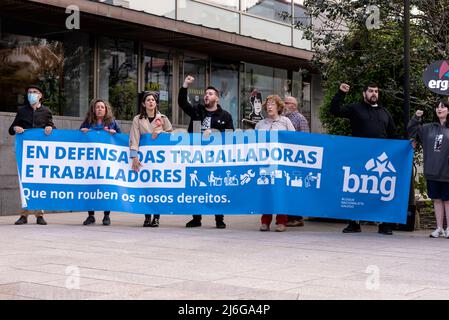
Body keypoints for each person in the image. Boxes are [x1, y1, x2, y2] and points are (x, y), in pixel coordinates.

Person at [330, 82, 398, 235]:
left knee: (381, 189)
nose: (374, 93)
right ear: (364, 93)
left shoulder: (385, 112)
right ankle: (354, 223)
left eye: (376, 91)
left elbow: (393, 135)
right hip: (359, 157)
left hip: (380, 159)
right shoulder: (355, 108)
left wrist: (405, 148)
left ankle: (384, 223)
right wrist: (340, 93)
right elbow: (334, 111)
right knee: (356, 189)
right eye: (370, 91)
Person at [178, 75, 234, 229]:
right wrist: (185, 85)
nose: (206, 96)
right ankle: (196, 218)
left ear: (217, 98)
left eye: (210, 94)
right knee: (195, 186)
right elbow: (182, 103)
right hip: (196, 155)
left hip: (215, 157)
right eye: (205, 94)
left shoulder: (225, 116)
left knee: (216, 186)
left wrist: (215, 132)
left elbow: (230, 136)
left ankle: (219, 218)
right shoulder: (197, 110)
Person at [8, 85, 55, 225]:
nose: (31, 94)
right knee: (25, 183)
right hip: (25, 152)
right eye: (29, 92)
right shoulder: (22, 111)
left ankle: (39, 215)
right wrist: (16, 128)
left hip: (40, 153)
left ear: (40, 95)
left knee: (39, 182)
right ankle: (24, 214)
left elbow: (53, 129)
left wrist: (49, 128)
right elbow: (11, 129)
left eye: (34, 92)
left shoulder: (46, 111)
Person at [130, 91, 173, 227]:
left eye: (153, 100)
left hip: (159, 159)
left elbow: (171, 135)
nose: (150, 102)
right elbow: (134, 137)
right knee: (146, 186)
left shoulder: (163, 118)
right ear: (144, 103)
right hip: (145, 157)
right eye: (148, 100)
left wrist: (162, 133)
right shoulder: (137, 119)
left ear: (156, 103)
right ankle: (147, 216)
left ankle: (157, 217)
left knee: (157, 187)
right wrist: (134, 157)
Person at [408, 98, 449, 238]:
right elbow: (412, 129)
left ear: (448, 110)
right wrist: (416, 117)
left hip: (447, 171)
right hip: (432, 170)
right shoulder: (428, 128)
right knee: (437, 199)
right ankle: (439, 228)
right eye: (437, 107)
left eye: (443, 107)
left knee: (448, 200)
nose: (439, 109)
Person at [255, 95, 295, 232]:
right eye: (268, 104)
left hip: (281, 162)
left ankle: (281, 221)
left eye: (272, 104)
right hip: (265, 163)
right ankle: (265, 221)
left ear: (278, 107)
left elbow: (294, 140)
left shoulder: (285, 122)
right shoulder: (260, 124)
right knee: (266, 191)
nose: (269, 106)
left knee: (280, 191)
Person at [80, 99, 121, 226]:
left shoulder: (112, 122)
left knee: (106, 187)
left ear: (106, 109)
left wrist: (114, 134)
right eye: (97, 107)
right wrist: (83, 132)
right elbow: (78, 136)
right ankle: (91, 216)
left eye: (102, 107)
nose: (99, 109)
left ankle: (106, 216)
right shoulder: (88, 122)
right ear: (93, 109)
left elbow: (120, 137)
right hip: (91, 162)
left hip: (106, 163)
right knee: (90, 187)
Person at [284, 96, 309, 227]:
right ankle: (289, 217)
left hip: (296, 159)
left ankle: (297, 218)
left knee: (295, 188)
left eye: (286, 102)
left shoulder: (300, 119)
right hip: (286, 158)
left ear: (294, 105)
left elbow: (305, 139)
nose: (284, 105)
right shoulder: (283, 119)